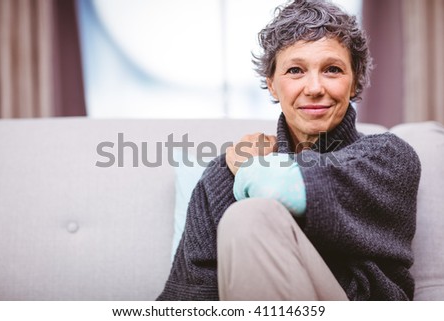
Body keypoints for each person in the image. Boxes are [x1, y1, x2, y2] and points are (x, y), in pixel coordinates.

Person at [157, 0, 421, 300]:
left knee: (249, 216)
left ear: (354, 81)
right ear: (271, 84)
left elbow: (277, 188)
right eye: (295, 70)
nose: (314, 87)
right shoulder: (222, 174)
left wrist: (249, 166)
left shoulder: (388, 158)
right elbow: (188, 297)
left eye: (332, 70)